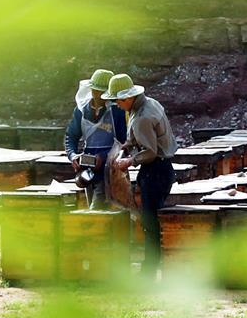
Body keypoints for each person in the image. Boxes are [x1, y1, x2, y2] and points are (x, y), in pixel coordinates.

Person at [105, 73, 178, 278]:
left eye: (117, 101)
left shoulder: (143, 117)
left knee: (150, 221)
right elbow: (140, 139)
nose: (117, 105)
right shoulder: (149, 104)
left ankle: (149, 270)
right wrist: (127, 146)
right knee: (150, 219)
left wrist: (128, 161)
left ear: (127, 98)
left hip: (155, 171)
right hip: (160, 169)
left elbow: (150, 152)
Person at [64, 69, 127, 209]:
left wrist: (104, 157)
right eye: (95, 90)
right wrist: (73, 155)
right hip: (88, 168)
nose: (97, 95)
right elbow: (71, 136)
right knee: (93, 212)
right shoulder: (81, 110)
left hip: (111, 170)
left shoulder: (117, 111)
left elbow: (124, 142)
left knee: (98, 209)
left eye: (101, 92)